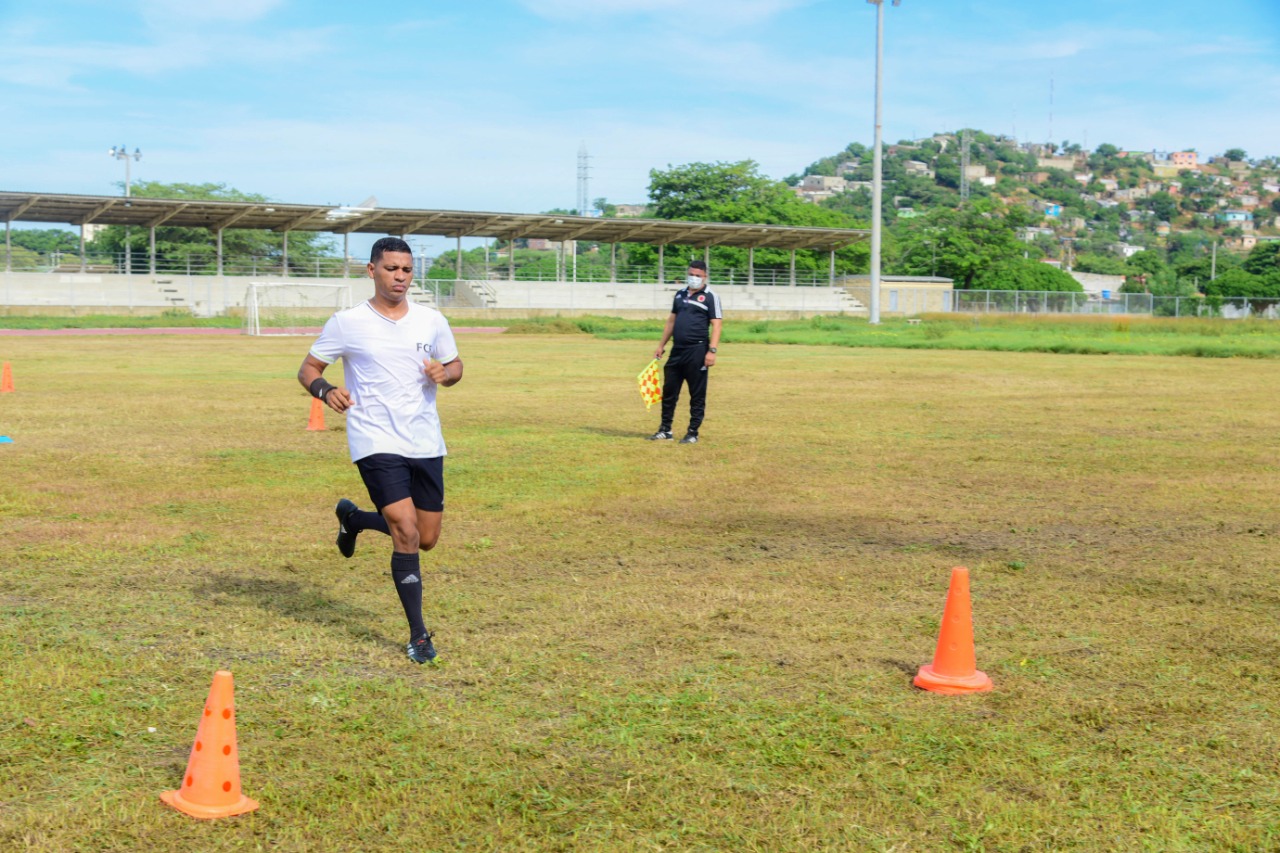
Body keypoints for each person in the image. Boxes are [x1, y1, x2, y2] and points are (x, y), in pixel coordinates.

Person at [297, 236, 463, 664]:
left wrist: (446, 372)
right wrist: (325, 389)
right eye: (391, 268)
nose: (400, 277)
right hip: (374, 438)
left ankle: (353, 519)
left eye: (407, 270)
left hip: (425, 439)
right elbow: (309, 368)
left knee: (425, 538)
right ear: (371, 271)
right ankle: (418, 634)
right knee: (405, 530)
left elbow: (457, 365)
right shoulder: (347, 322)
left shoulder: (431, 319)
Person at [648, 259, 722, 444]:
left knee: (696, 393)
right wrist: (661, 345)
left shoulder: (711, 296)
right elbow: (671, 321)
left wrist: (712, 350)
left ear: (705, 277)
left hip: (697, 350)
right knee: (669, 390)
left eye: (698, 276)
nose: (694, 278)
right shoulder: (680, 294)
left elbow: (717, 324)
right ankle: (665, 430)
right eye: (691, 275)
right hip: (677, 350)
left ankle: (692, 433)